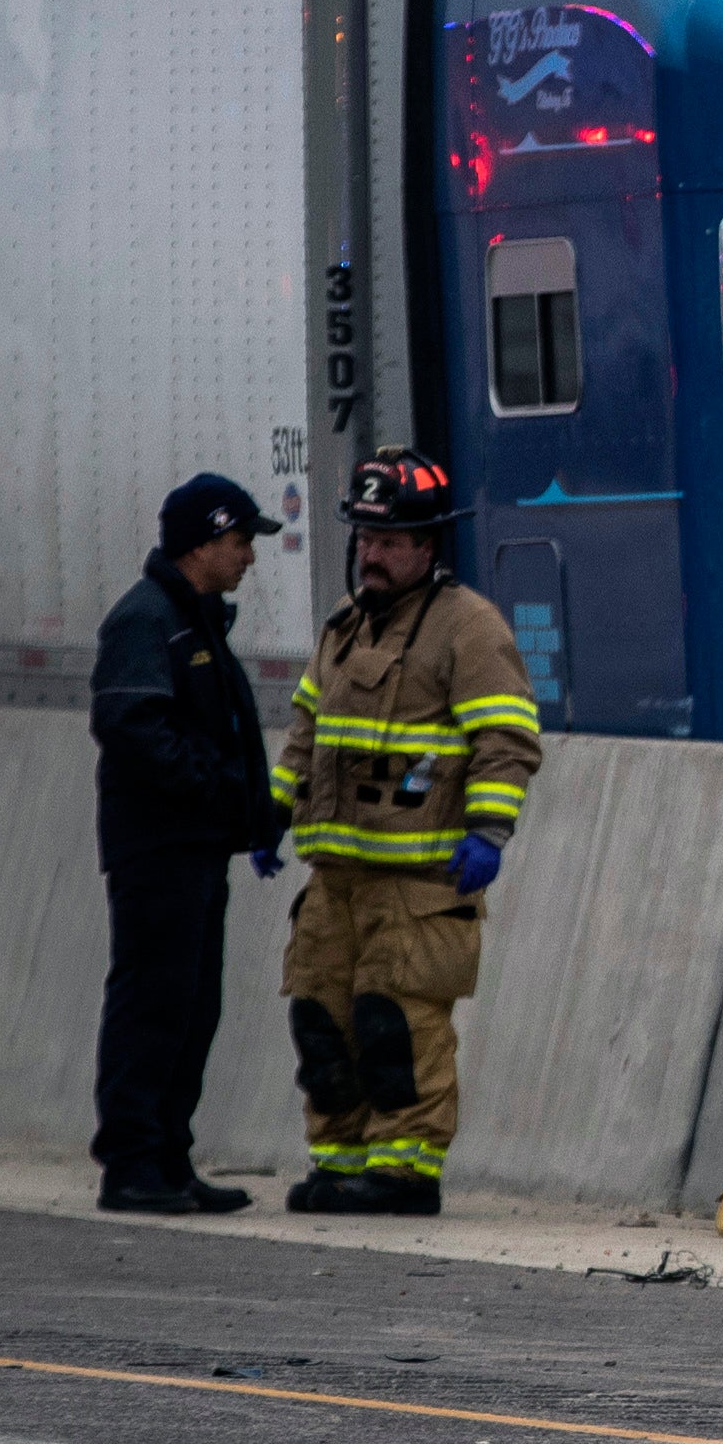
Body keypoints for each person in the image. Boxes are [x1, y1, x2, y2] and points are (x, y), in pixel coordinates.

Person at [269, 448, 541, 1216]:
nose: (372, 554)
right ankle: (340, 1161)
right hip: (336, 881)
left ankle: (403, 1171)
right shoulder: (345, 629)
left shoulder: (469, 629)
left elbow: (506, 738)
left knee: (399, 1026)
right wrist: (272, 811)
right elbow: (305, 730)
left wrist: (489, 829)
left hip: (418, 885)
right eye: (364, 538)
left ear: (428, 545)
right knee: (321, 1021)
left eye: (388, 541)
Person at [86, 474, 289, 1213]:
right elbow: (133, 727)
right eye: (240, 542)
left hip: (198, 847)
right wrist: (216, 787)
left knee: (193, 1004)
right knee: (154, 1001)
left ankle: (169, 1158)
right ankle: (132, 1162)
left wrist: (252, 816)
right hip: (159, 849)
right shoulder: (147, 620)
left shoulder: (194, 618)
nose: (249, 557)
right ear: (204, 543)